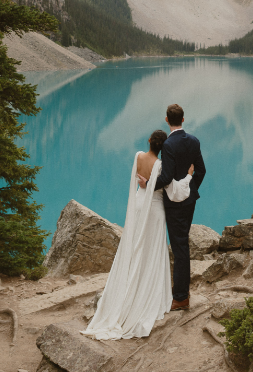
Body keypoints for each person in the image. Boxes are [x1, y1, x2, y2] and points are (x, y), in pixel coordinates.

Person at [81, 128, 194, 340]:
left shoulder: (138, 156)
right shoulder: (161, 166)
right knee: (152, 251)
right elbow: (175, 192)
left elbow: (138, 182)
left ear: (150, 141)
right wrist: (188, 176)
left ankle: (128, 290)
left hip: (139, 204)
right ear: (163, 147)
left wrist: (146, 184)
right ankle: (147, 292)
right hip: (155, 210)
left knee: (136, 247)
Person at [148, 103, 206, 310]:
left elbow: (165, 177)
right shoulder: (194, 141)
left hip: (173, 204)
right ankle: (182, 292)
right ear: (183, 119)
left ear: (167, 120)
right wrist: (189, 189)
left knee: (180, 246)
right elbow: (201, 170)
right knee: (182, 244)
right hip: (189, 202)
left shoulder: (168, 145)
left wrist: (147, 186)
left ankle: (181, 298)